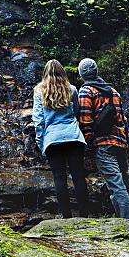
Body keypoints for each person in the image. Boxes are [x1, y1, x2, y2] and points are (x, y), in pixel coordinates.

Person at [77, 57, 129, 219]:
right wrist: (128, 147)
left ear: (82, 75)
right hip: (120, 143)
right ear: (96, 71)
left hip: (102, 144)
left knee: (116, 185)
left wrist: (86, 148)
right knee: (127, 184)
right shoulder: (114, 92)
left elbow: (86, 122)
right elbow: (122, 121)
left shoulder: (86, 91)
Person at [32, 59, 90, 218]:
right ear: (62, 72)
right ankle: (85, 215)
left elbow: (38, 121)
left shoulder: (39, 91)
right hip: (74, 137)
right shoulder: (72, 89)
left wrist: (42, 143)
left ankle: (66, 217)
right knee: (78, 176)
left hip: (52, 139)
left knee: (59, 177)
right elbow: (78, 112)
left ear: (45, 73)